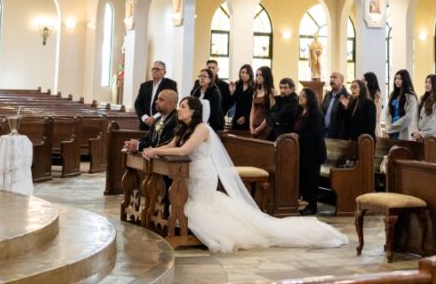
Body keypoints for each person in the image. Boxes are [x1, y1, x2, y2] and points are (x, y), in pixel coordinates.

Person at [142, 96, 347, 251]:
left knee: (196, 209)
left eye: (183, 106)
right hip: (190, 175)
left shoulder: (202, 128)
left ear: (193, 111)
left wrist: (156, 151)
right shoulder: (183, 128)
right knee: (188, 206)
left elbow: (184, 150)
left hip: (203, 175)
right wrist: (149, 149)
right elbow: (170, 145)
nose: (179, 109)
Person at [294, 87, 327, 215]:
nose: (300, 97)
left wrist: (299, 137)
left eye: (304, 96)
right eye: (300, 95)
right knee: (304, 179)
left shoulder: (316, 113)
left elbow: (315, 132)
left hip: (313, 151)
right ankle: (304, 204)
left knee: (311, 180)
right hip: (303, 150)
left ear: (310, 99)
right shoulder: (301, 112)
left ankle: (312, 206)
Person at [123, 89, 178, 153]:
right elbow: (146, 138)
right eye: (157, 99)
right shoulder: (157, 119)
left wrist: (138, 146)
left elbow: (162, 145)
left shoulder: (175, 121)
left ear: (171, 104)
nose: (156, 101)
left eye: (161, 99)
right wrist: (134, 143)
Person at [413, 74, 436, 163]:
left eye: (430, 83)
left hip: (434, 137)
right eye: (426, 82)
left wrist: (421, 133)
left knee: (433, 163)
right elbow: (417, 118)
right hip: (422, 138)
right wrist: (416, 131)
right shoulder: (424, 98)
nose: (427, 84)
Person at [133, 61, 178, 131]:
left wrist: (154, 118)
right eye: (153, 69)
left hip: (162, 122)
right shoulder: (144, 85)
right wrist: (145, 118)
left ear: (164, 72)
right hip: (145, 124)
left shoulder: (170, 84)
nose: (154, 71)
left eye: (157, 69)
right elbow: (137, 103)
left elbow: (171, 103)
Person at [385, 70, 418, 142]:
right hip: (391, 132)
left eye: (400, 79)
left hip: (402, 131)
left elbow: (408, 118)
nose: (397, 81)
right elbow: (388, 114)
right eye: (396, 78)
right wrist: (388, 128)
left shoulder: (410, 97)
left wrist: (390, 128)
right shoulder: (393, 95)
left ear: (405, 80)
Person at [195, 67, 224, 132]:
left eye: (204, 76)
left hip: (212, 124)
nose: (201, 78)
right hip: (198, 123)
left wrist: (205, 123)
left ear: (210, 80)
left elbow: (214, 111)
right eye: (200, 76)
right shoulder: (196, 91)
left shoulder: (215, 92)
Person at [250, 65, 275, 139]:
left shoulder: (271, 92)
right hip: (254, 126)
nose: (258, 77)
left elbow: (271, 113)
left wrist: (260, 128)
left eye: (261, 75)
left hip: (266, 127)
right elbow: (252, 110)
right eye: (257, 75)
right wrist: (251, 126)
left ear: (266, 76)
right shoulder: (255, 91)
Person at [322, 71, 348, 138]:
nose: (332, 79)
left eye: (335, 77)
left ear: (342, 81)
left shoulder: (347, 96)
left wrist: (346, 108)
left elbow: (347, 119)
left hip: (337, 135)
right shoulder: (327, 95)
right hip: (324, 133)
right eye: (331, 77)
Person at [229, 64, 254, 132]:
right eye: (242, 72)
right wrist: (232, 92)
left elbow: (253, 105)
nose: (244, 75)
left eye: (247, 73)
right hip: (237, 117)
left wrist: (245, 117)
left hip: (249, 118)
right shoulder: (237, 85)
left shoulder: (254, 87)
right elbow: (231, 102)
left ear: (250, 74)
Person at [364, 72, 383, 138]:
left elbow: (376, 114)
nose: (362, 82)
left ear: (370, 81)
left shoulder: (376, 95)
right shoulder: (365, 94)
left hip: (374, 126)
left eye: (364, 80)